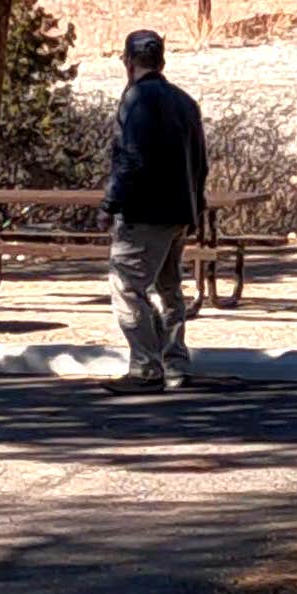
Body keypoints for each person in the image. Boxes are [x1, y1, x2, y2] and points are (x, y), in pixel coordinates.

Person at [100, 28, 211, 392]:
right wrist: (196, 206)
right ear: (161, 60)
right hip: (181, 210)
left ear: (128, 62)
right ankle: (175, 363)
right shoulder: (185, 101)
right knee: (169, 288)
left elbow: (129, 159)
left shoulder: (134, 100)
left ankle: (146, 367)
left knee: (126, 285)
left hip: (144, 212)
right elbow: (201, 163)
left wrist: (111, 203)